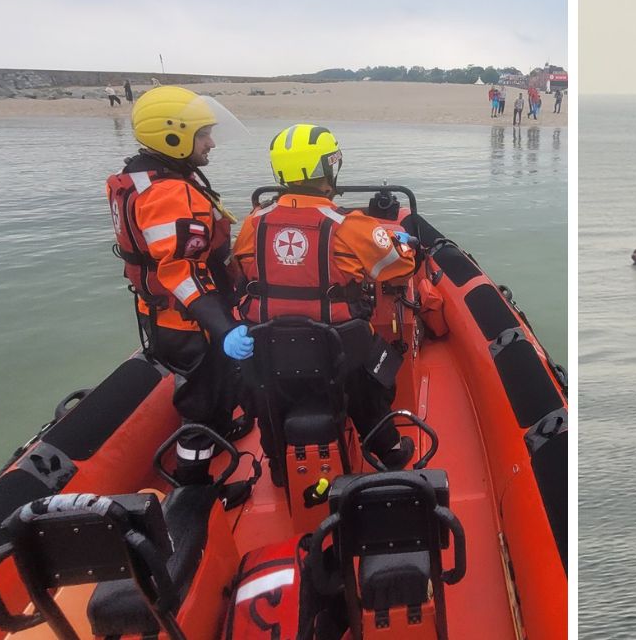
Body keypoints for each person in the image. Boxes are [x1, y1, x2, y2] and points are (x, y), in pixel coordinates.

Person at [225, 124, 418, 473]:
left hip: (269, 343)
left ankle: (278, 460)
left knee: (268, 386)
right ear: (329, 168)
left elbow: (240, 270)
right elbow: (399, 267)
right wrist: (403, 241)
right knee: (370, 375)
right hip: (336, 344)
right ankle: (387, 448)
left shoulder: (255, 223)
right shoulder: (348, 225)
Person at [105, 86, 247, 483]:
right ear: (174, 135)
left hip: (162, 315)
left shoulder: (138, 178)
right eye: (204, 134)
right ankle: (195, 484)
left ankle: (218, 432)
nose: (211, 143)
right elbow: (180, 271)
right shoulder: (170, 194)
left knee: (215, 388)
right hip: (188, 322)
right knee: (200, 403)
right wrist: (221, 327)